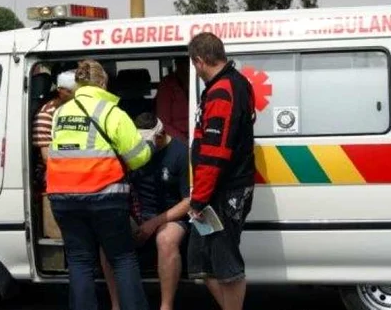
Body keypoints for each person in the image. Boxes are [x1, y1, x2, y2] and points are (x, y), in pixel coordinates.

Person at [46, 60, 154, 310]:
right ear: (103, 82)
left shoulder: (60, 113)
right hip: (105, 197)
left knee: (80, 261)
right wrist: (149, 146)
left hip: (62, 198)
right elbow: (137, 158)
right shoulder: (112, 112)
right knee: (123, 259)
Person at [186, 32, 256, 310]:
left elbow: (215, 153)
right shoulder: (236, 83)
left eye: (194, 64)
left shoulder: (222, 90)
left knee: (227, 265)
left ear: (201, 61)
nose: (195, 70)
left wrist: (199, 199)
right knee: (201, 262)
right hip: (217, 191)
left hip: (222, 193)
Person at [104, 112, 191, 310]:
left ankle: (166, 305)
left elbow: (188, 201)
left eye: (148, 142)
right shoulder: (134, 152)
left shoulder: (180, 153)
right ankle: (116, 304)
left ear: (159, 136)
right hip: (138, 214)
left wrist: (153, 223)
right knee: (108, 236)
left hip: (171, 215)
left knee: (166, 239)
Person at [32, 70, 77, 239]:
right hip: (54, 171)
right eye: (72, 92)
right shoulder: (46, 114)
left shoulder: (74, 109)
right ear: (61, 90)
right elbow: (46, 158)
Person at [155, 58, 190, 145]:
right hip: (177, 140)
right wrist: (184, 141)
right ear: (177, 65)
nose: (187, 68)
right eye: (183, 64)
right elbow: (163, 122)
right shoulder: (167, 85)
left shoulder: (199, 82)